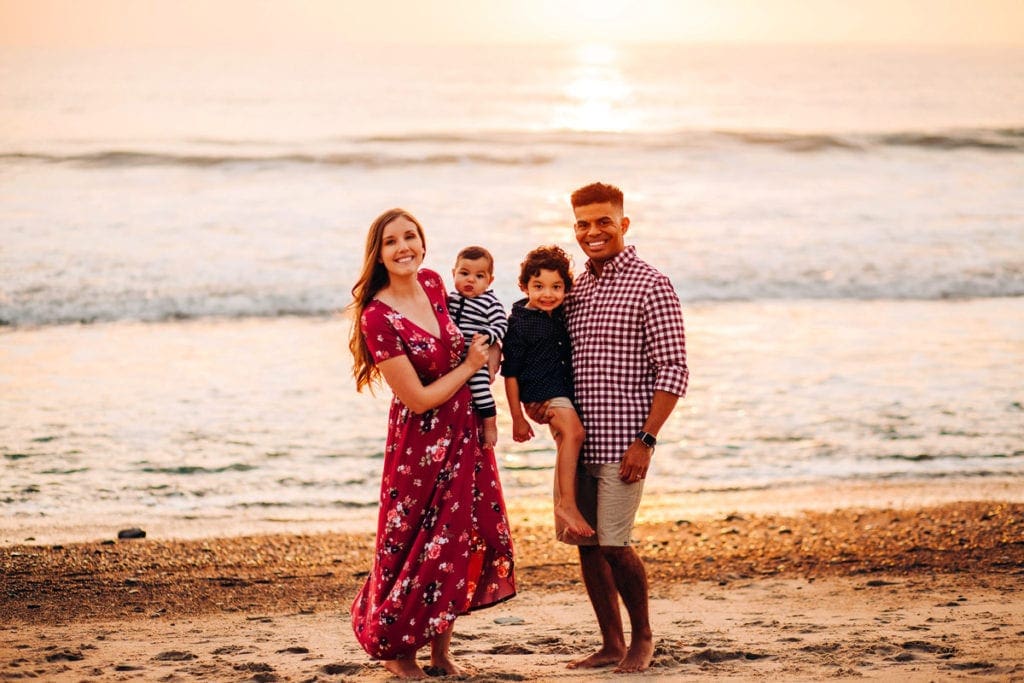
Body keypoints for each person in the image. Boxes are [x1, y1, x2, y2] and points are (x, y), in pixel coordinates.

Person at [347, 208, 517, 679]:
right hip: (418, 448)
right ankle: (401, 652)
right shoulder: (377, 317)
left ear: (423, 242)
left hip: (464, 434)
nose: (404, 247)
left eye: (411, 237)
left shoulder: (437, 283)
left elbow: (483, 327)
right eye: (391, 241)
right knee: (408, 546)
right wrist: (468, 368)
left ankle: (442, 651)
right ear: (378, 254)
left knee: (456, 541)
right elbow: (418, 399)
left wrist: (494, 378)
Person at [528, 183, 688, 673]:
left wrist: (647, 440)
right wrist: (537, 403)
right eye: (582, 224)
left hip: (625, 444)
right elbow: (551, 355)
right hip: (577, 445)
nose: (592, 232)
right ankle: (610, 643)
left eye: (603, 222)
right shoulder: (575, 288)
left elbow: (674, 371)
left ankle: (642, 638)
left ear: (623, 224)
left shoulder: (651, 284)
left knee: (616, 545)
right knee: (587, 544)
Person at [501, 245, 594, 538]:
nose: (547, 294)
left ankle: (567, 504)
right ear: (524, 286)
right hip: (540, 390)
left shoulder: (560, 312)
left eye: (556, 287)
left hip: (561, 388)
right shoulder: (518, 323)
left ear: (567, 288)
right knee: (575, 434)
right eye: (538, 286)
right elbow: (510, 373)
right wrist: (517, 417)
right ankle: (565, 504)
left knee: (569, 440)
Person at [447, 246, 508, 448]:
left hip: (477, 357)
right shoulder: (450, 300)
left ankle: (490, 425)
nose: (470, 280)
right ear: (453, 274)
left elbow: (501, 326)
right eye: (464, 273)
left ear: (490, 280)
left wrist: (487, 337)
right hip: (452, 360)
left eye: (479, 276)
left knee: (480, 390)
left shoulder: (490, 303)